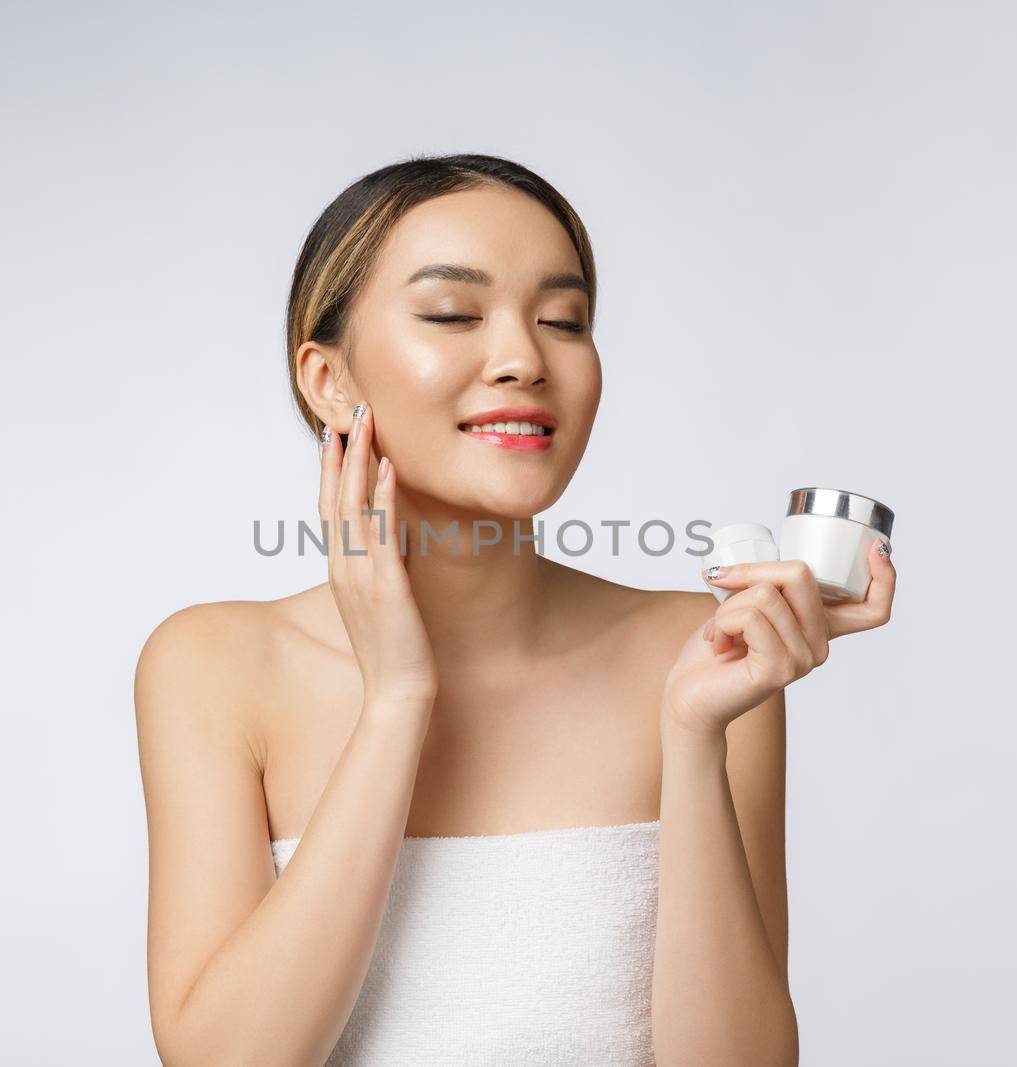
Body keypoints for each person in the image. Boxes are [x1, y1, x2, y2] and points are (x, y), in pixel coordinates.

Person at [134, 153, 897, 1066]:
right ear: (330, 379)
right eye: (453, 314)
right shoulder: (216, 665)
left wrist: (692, 735)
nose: (523, 359)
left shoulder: (703, 658)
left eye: (563, 321)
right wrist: (396, 700)